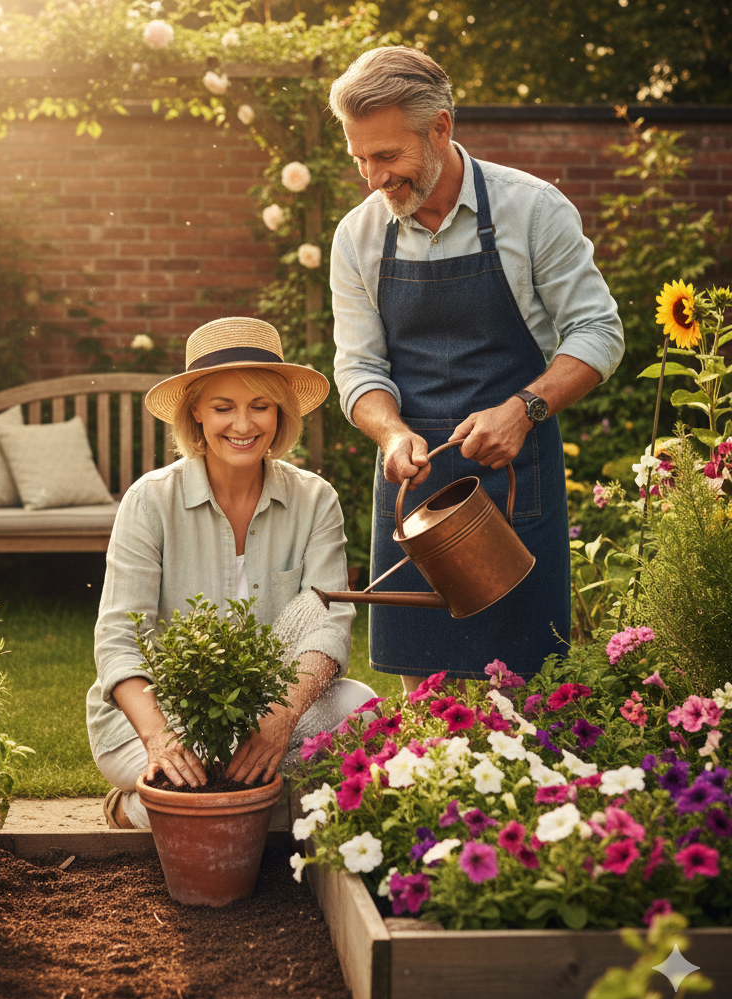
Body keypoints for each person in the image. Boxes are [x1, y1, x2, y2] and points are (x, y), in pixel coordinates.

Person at [327, 47, 625, 692]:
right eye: (359, 158)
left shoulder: (533, 210)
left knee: (529, 692)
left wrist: (523, 411)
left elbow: (599, 332)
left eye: (387, 156)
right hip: (416, 486)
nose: (373, 178)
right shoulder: (357, 236)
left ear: (440, 128)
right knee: (427, 703)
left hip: (516, 476)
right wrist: (390, 434)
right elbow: (359, 367)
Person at [86, 316, 377, 829]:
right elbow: (118, 638)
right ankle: (152, 805)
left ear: (280, 411)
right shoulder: (150, 500)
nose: (243, 426)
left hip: (273, 709)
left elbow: (329, 627)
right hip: (165, 716)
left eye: (259, 406)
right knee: (223, 785)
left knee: (364, 711)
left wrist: (280, 719)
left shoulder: (315, 500)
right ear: (196, 412)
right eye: (223, 408)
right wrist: (160, 739)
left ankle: (178, 807)